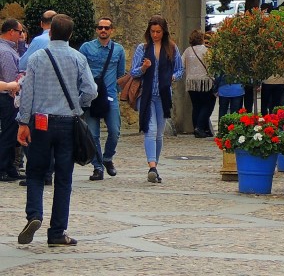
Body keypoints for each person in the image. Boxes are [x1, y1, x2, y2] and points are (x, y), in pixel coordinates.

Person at [16, 13, 96, 247]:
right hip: (67, 122)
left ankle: (34, 215)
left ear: (50, 32)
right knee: (64, 178)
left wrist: (23, 122)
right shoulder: (78, 57)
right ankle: (57, 232)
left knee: (36, 172)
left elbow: (27, 92)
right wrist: (77, 103)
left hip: (41, 121)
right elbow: (91, 90)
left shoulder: (37, 58)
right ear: (70, 34)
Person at [130, 15, 183, 184]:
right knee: (150, 129)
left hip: (163, 95)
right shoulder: (142, 48)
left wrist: (172, 77)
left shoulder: (172, 49)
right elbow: (133, 72)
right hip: (146, 95)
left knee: (159, 133)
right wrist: (143, 67)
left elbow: (180, 70)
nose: (155, 35)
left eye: (158, 31)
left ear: (164, 32)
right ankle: (151, 166)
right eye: (152, 31)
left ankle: (155, 167)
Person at [79, 16, 126, 179]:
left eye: (106, 28)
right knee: (93, 135)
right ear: (96, 30)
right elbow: (80, 72)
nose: (103, 30)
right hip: (91, 96)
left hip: (110, 96)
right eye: (100, 28)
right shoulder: (86, 48)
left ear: (112, 30)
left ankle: (107, 158)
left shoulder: (118, 50)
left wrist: (115, 91)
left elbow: (121, 74)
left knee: (115, 131)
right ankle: (97, 167)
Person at [0, 18, 25, 182]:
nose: (21, 35)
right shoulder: (6, 52)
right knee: (8, 134)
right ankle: (3, 167)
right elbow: (11, 80)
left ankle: (9, 167)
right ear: (11, 32)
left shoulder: (8, 49)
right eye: (20, 32)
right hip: (6, 98)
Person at [182, 29, 216, 137]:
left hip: (191, 82)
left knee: (196, 105)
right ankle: (200, 127)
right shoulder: (206, 50)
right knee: (208, 104)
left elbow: (181, 64)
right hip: (204, 81)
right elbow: (211, 65)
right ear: (201, 39)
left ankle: (198, 127)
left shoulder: (187, 51)